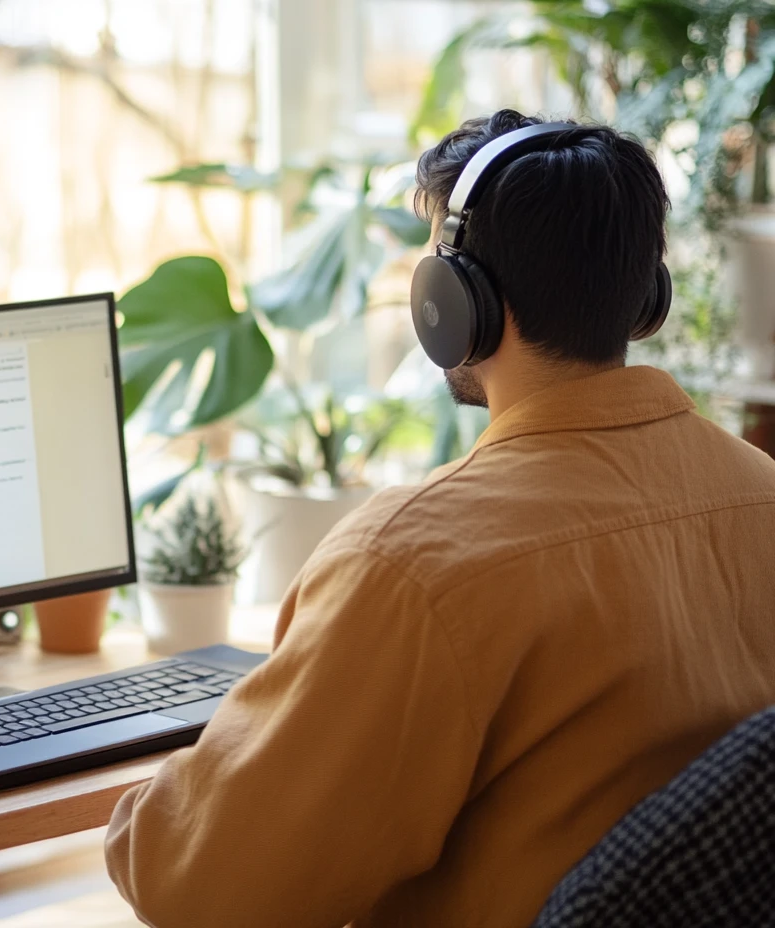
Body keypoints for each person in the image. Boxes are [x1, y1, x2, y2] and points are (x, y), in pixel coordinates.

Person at [104, 110, 775, 927]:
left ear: (456, 304)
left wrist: (160, 794)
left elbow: (200, 893)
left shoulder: (416, 563)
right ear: (646, 296)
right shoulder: (761, 492)